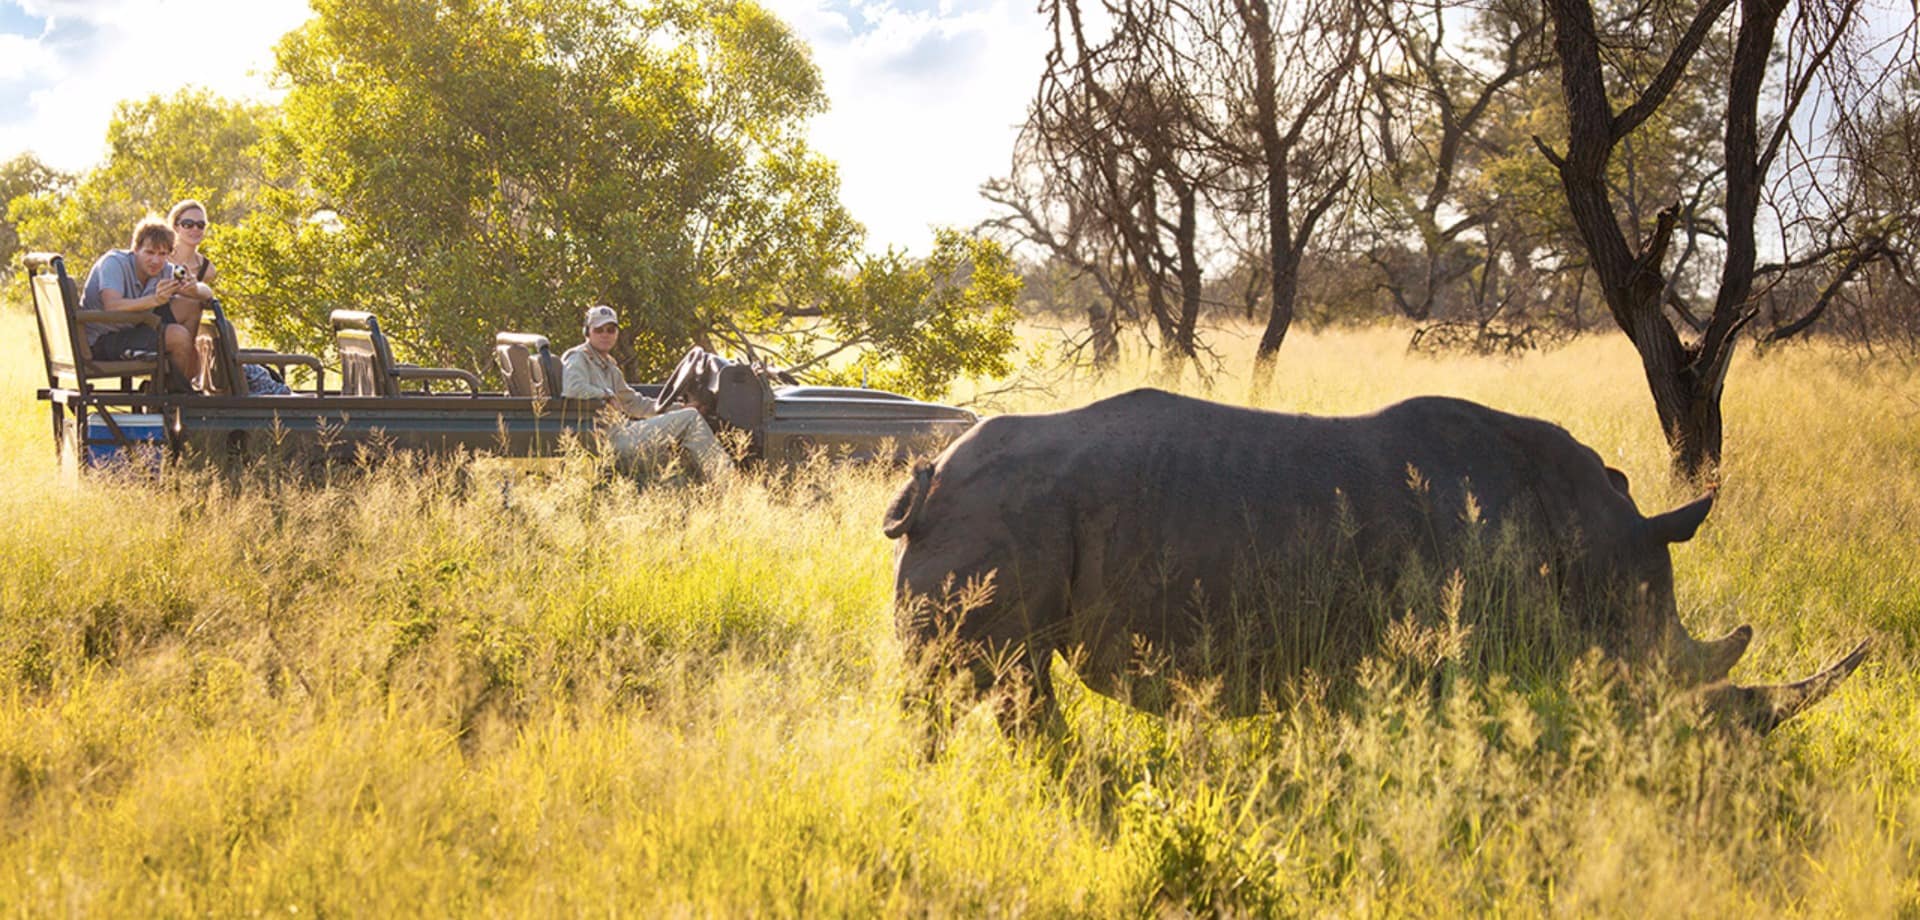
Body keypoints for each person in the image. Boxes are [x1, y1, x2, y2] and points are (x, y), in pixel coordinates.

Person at [561, 305, 732, 481]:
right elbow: (573, 388)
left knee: (681, 448)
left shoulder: (608, 365)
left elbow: (635, 404)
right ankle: (728, 480)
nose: (605, 334)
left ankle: (706, 492)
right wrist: (606, 394)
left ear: (616, 333)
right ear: (587, 332)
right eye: (598, 330)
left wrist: (679, 408)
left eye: (610, 330)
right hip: (609, 439)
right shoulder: (578, 358)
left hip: (623, 431)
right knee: (690, 418)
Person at [165, 198, 290, 395]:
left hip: (189, 332)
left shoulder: (207, 269)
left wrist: (197, 289)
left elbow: (206, 297)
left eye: (201, 225)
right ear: (175, 226)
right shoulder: (162, 257)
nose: (195, 229)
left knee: (193, 307)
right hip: (161, 323)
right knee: (189, 304)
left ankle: (182, 384)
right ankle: (176, 387)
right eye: (188, 224)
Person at [81, 216, 211, 384]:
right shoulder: (113, 263)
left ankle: (178, 379)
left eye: (162, 254)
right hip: (102, 340)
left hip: (133, 328)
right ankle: (173, 395)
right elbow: (112, 306)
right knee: (177, 336)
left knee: (191, 305)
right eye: (149, 252)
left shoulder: (166, 269)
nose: (156, 260)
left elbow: (207, 293)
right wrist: (154, 300)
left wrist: (195, 288)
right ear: (135, 249)